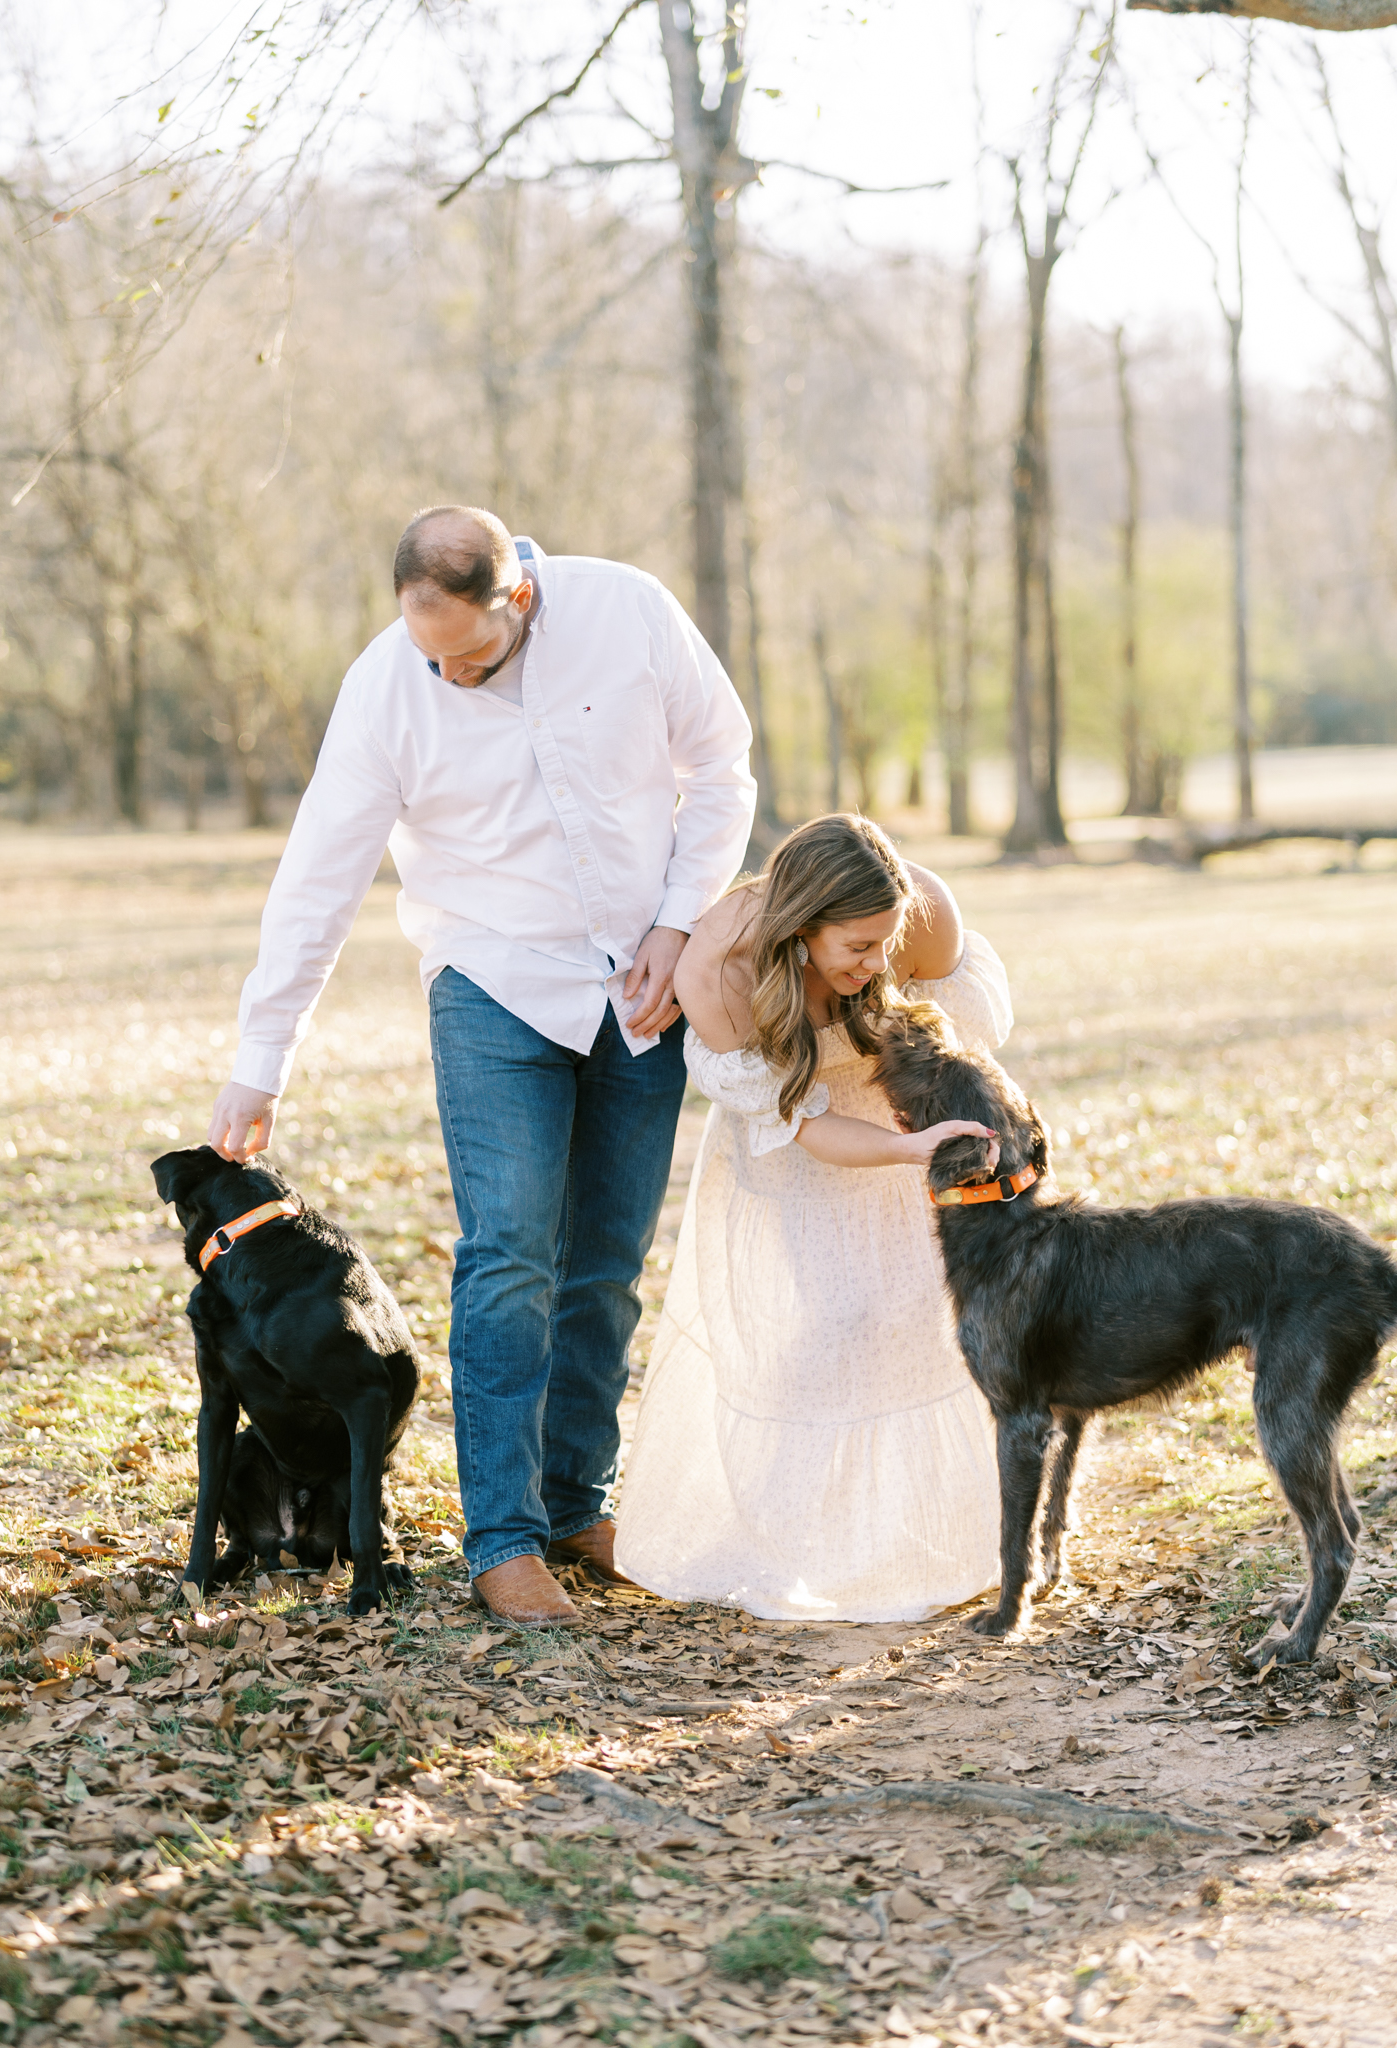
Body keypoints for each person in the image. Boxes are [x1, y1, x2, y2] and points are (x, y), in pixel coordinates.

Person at [206, 506, 755, 1626]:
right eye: (427, 652)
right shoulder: (387, 687)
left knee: (603, 1264)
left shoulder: (628, 611)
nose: (445, 674)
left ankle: (574, 1503)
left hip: (641, 986)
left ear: (522, 598)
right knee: (509, 1256)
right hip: (493, 982)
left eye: (467, 654)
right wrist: (260, 1061)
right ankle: (500, 1538)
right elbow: (319, 875)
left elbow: (724, 770)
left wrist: (677, 922)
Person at [614, 814, 1010, 1622]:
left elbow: (968, 1046)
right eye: (858, 948)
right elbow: (809, 1127)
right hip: (798, 1137)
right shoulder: (720, 973)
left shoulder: (919, 924)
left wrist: (930, 1133)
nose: (877, 962)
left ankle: (942, 1536)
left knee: (918, 1315)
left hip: (894, 1097)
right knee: (825, 1321)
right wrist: (907, 1153)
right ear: (801, 929)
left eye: (884, 945)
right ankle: (801, 1542)